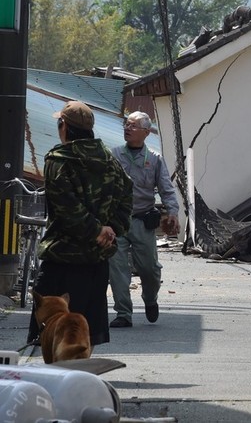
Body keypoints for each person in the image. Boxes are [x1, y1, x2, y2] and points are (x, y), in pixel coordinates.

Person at [28, 100, 133, 347]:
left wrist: (96, 230)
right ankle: (81, 379)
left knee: (51, 333)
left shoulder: (59, 160)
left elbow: (66, 207)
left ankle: (56, 381)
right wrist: (111, 230)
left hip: (62, 259)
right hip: (96, 261)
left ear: (63, 126)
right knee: (84, 334)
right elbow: (127, 196)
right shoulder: (110, 160)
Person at [108, 111, 180, 328]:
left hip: (142, 221)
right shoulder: (114, 155)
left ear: (146, 133)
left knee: (149, 269)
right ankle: (123, 313)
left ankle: (150, 299)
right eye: (126, 124)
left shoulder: (155, 159)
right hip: (117, 222)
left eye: (133, 126)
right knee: (117, 269)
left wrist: (173, 212)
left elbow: (166, 189)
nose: (127, 129)